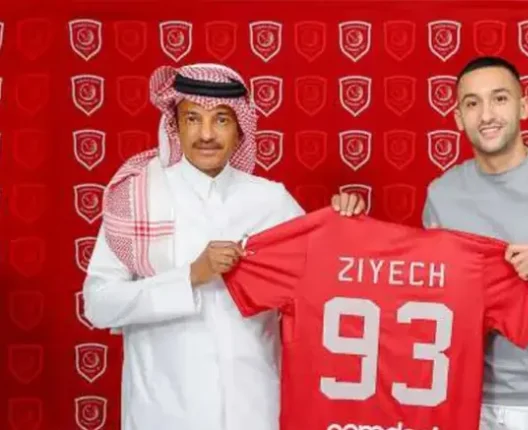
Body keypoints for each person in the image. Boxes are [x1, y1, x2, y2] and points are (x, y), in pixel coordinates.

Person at [336, 56, 528, 429]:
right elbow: (424, 290)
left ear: (524, 106)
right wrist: (352, 231)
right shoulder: (443, 193)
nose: (486, 115)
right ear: (458, 118)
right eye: (472, 103)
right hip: (465, 400)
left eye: (499, 99)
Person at [82, 63, 364, 430]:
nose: (206, 134)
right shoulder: (139, 197)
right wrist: (190, 277)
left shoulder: (271, 201)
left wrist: (345, 226)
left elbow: (327, 286)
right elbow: (98, 304)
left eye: (221, 120)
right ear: (175, 124)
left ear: (239, 129)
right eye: (193, 119)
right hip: (164, 413)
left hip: (255, 410)